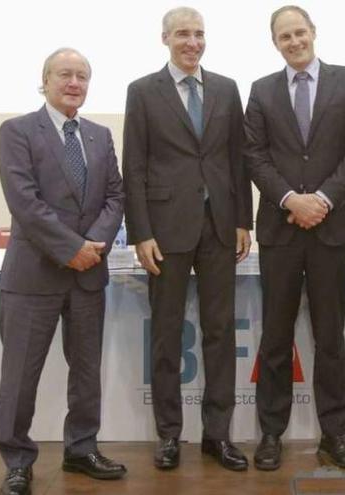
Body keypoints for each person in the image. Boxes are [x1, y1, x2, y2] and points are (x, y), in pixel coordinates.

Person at [122, 6, 253, 472]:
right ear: (165, 39)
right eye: (182, 34)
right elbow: (133, 166)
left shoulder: (226, 88)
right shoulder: (142, 91)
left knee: (219, 332)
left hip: (219, 227)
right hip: (166, 230)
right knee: (166, 334)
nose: (192, 42)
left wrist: (243, 220)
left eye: (199, 34)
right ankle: (169, 436)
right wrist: (141, 233)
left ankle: (218, 435)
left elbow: (238, 160)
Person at [244, 5, 345, 471]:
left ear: (313, 33)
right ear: (275, 43)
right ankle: (271, 434)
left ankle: (334, 434)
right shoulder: (260, 91)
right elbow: (254, 155)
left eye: (299, 32)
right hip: (281, 230)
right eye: (284, 37)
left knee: (330, 334)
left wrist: (321, 199)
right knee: (275, 336)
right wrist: (289, 200)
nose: (294, 42)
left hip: (331, 228)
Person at [0, 48, 127, 495]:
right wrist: (72, 249)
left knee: (87, 371)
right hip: (34, 276)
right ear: (45, 80)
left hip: (88, 275)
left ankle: (81, 449)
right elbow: (24, 202)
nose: (74, 83)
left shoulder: (99, 135)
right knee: (20, 376)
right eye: (65, 75)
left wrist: (94, 248)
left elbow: (115, 198)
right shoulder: (16, 131)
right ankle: (17, 461)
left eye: (83, 76)